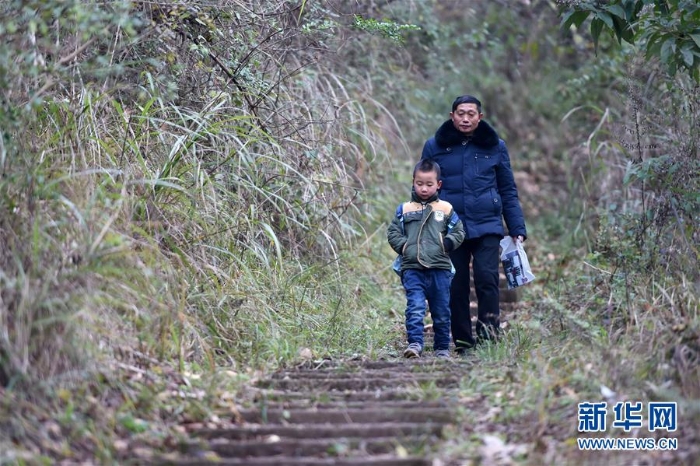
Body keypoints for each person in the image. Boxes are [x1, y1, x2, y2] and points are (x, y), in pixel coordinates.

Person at [421, 94, 527, 353]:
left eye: (471, 114)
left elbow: (507, 189)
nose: (465, 118)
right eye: (460, 113)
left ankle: (489, 336)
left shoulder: (496, 146)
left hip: (487, 225)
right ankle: (463, 341)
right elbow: (423, 187)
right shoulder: (435, 146)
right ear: (452, 116)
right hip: (450, 227)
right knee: (455, 284)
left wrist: (517, 229)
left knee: (487, 279)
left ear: (480, 117)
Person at [387, 159, 465, 359]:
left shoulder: (446, 209)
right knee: (414, 307)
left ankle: (441, 347)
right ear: (413, 182)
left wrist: (447, 244)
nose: (424, 188)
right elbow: (393, 232)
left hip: (440, 268)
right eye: (419, 183)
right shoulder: (404, 209)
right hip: (412, 268)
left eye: (429, 184)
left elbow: (458, 231)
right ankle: (414, 343)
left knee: (441, 311)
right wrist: (405, 247)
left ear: (438, 184)